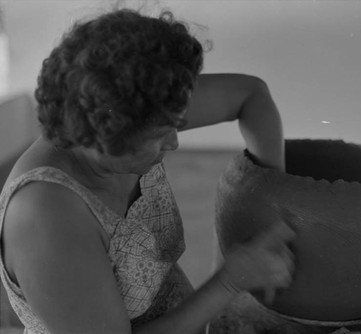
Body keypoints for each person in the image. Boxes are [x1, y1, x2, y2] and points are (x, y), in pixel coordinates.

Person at [0, 8, 295, 334]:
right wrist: (228, 282)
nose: (174, 142)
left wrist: (271, 199)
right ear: (104, 139)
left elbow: (250, 96)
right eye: (160, 136)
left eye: (176, 125)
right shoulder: (46, 219)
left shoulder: (142, 107)